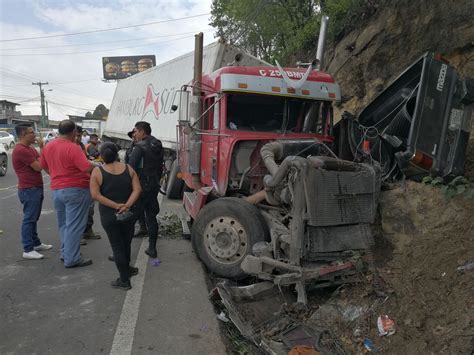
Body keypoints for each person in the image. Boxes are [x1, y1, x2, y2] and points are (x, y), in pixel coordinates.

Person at [41, 120, 94, 268]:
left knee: (64, 224)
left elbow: (44, 166)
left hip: (57, 189)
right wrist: (98, 167)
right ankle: (72, 258)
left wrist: (57, 176)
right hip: (76, 189)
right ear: (73, 133)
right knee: (75, 226)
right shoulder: (73, 147)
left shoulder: (48, 146)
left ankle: (66, 253)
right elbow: (86, 167)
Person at [90, 142, 141, 290]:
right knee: (126, 243)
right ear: (117, 154)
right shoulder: (128, 168)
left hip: (109, 215)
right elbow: (137, 189)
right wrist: (126, 205)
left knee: (117, 246)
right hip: (129, 213)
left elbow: (95, 195)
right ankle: (128, 269)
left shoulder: (97, 172)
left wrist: (116, 206)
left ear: (102, 155)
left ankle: (124, 280)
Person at [12, 124, 52, 259]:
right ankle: (28, 249)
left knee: (34, 217)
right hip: (29, 189)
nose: (34, 134)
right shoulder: (20, 150)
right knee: (29, 219)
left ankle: (36, 243)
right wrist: (42, 148)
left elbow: (42, 161)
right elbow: (39, 166)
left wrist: (41, 151)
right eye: (31, 132)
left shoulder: (29, 149)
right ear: (23, 134)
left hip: (35, 187)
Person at [127, 121, 163, 258]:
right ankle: (152, 248)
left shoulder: (139, 147)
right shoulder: (157, 144)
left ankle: (123, 250)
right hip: (153, 185)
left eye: (136, 131)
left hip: (141, 187)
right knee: (151, 217)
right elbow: (160, 166)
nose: (135, 134)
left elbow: (130, 168)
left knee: (131, 218)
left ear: (142, 131)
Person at [75, 126, 101, 242]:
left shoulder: (81, 146)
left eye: (79, 135)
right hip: (75, 185)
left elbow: (86, 160)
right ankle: (76, 236)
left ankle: (88, 231)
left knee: (89, 209)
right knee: (77, 212)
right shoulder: (69, 148)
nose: (77, 138)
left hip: (87, 181)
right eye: (76, 135)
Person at [125, 129, 147, 238]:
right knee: (137, 205)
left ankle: (142, 227)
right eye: (132, 136)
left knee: (138, 205)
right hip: (132, 179)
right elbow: (127, 163)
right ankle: (143, 227)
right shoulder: (130, 148)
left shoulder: (141, 148)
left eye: (135, 135)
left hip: (140, 179)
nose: (134, 137)